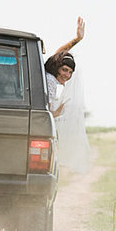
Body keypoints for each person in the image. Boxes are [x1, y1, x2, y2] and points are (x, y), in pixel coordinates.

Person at [44, 17, 91, 174]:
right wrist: (58, 112)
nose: (67, 75)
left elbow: (59, 53)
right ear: (57, 67)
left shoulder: (46, 75)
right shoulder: (50, 82)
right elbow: (47, 112)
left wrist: (76, 40)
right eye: (64, 70)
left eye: (70, 72)